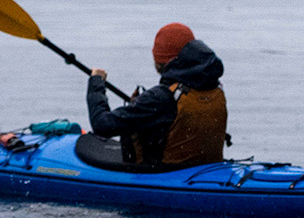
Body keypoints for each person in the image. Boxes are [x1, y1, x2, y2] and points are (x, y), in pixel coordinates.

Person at [86, 23, 227, 167]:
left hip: (165, 178)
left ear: (160, 61)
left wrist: (96, 82)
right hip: (207, 170)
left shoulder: (160, 99)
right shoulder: (214, 87)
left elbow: (101, 125)